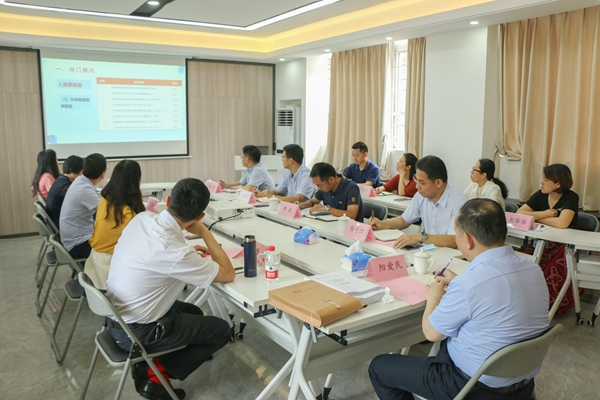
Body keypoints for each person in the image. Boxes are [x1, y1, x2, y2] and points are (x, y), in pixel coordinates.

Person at [369, 198, 549, 400]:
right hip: (522, 383)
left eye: (457, 235)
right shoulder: (534, 269)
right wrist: (459, 283)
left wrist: (433, 299)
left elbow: (431, 333)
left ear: (468, 239)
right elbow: (497, 292)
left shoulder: (470, 284)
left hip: (473, 387)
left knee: (379, 368)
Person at [106, 178, 235, 400]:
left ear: (167, 200)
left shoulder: (142, 219)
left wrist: (188, 254)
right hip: (136, 333)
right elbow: (228, 274)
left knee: (195, 312)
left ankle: (159, 363)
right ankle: (155, 375)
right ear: (200, 217)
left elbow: (162, 252)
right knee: (222, 330)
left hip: (116, 317)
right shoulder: (176, 254)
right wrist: (204, 233)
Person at [517, 163, 579, 313]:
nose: (541, 183)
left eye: (546, 180)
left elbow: (562, 223)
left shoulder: (571, 197)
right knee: (519, 259)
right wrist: (546, 214)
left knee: (550, 268)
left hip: (565, 248)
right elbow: (520, 213)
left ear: (558, 184)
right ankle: (521, 301)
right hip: (542, 243)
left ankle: (545, 307)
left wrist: (535, 217)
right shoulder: (541, 194)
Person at [369, 155, 467, 249]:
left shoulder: (459, 202)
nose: (417, 186)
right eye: (417, 181)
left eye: (421, 182)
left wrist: (421, 237)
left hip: (450, 255)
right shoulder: (421, 195)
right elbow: (404, 220)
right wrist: (382, 224)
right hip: (428, 250)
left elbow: (454, 240)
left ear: (438, 183)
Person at [84, 160, 144, 290]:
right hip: (110, 270)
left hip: (94, 264)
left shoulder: (105, 201)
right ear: (136, 181)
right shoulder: (127, 214)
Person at [59, 153, 106, 259]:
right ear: (103, 174)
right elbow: (107, 212)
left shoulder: (79, 181)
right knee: (116, 243)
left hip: (74, 238)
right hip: (77, 244)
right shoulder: (84, 189)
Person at [299, 162, 364, 221]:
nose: (318, 188)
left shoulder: (351, 188)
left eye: (319, 185)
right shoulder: (324, 188)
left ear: (331, 179)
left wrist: (326, 209)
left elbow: (352, 215)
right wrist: (303, 205)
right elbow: (312, 201)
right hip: (330, 224)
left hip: (348, 227)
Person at [45, 155, 84, 229]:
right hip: (60, 224)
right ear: (73, 170)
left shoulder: (60, 179)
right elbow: (78, 204)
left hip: (55, 221)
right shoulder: (66, 186)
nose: (82, 174)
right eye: (82, 171)